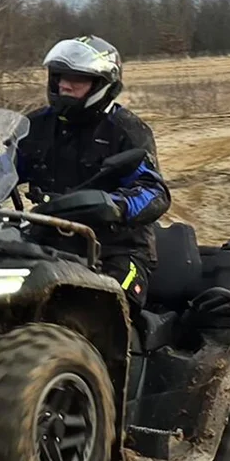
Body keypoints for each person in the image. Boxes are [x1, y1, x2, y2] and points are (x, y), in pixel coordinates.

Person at [16, 36, 170, 308]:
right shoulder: (36, 125)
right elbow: (1, 168)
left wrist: (116, 205)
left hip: (117, 249)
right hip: (47, 238)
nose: (64, 84)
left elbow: (154, 191)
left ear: (102, 84)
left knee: (102, 304)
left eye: (77, 78)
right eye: (60, 76)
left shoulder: (126, 130)